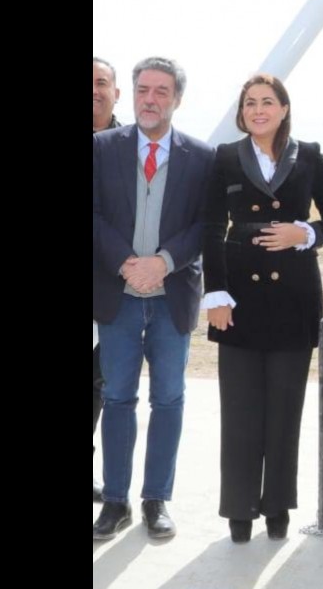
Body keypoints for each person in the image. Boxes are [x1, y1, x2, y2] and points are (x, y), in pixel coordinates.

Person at [202, 74, 323, 544]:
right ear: (241, 113)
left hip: (293, 296)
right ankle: (239, 508)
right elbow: (211, 227)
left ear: (284, 109)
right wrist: (215, 294)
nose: (258, 110)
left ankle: (278, 506)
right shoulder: (225, 157)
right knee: (240, 410)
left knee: (285, 410)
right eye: (250, 103)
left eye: (267, 102)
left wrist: (305, 233)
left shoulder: (308, 154)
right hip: (237, 298)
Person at [92, 57, 215, 541]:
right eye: (143, 89)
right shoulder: (102, 149)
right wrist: (127, 262)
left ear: (177, 99)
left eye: (162, 91)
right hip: (118, 295)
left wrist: (162, 262)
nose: (151, 99)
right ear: (132, 94)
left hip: (172, 297)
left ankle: (156, 499)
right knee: (118, 397)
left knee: (169, 399)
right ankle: (115, 501)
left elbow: (205, 224)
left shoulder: (202, 157)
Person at [92, 57, 123, 503]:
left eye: (101, 83)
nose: (94, 90)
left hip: (114, 286)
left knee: (99, 382)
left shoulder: (131, 146)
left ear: (116, 93)